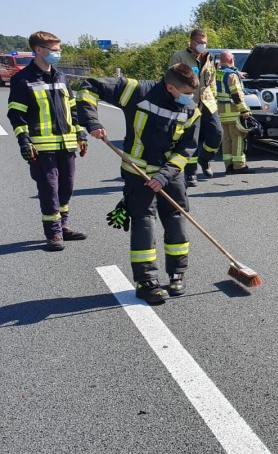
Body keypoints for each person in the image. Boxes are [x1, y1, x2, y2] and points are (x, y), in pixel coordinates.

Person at [77, 64, 201, 304]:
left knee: (176, 220)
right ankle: (146, 282)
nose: (190, 98)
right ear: (170, 87)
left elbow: (186, 149)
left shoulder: (191, 110)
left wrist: (163, 176)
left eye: (192, 93)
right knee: (144, 224)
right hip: (138, 174)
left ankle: (178, 274)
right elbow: (88, 87)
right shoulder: (137, 91)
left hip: (169, 175)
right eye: (186, 92)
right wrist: (91, 121)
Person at [7, 31, 88, 251]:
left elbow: (73, 109)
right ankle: (53, 234)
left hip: (67, 145)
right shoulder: (22, 80)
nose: (57, 54)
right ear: (39, 50)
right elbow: (16, 114)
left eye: (58, 49)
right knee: (49, 189)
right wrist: (24, 141)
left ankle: (63, 226)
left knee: (66, 188)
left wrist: (80, 134)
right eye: (54, 50)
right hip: (42, 148)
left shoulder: (61, 77)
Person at [169, 29, 221, 185]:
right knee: (192, 138)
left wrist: (215, 98)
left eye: (204, 42)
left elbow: (211, 80)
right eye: (199, 42)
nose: (202, 45)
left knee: (216, 134)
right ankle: (191, 174)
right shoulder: (179, 57)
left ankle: (205, 160)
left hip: (208, 102)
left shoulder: (208, 57)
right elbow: (171, 80)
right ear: (191, 42)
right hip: (189, 102)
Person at [215, 50, 253, 174]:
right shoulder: (231, 75)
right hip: (233, 112)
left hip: (221, 113)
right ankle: (239, 166)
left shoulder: (217, 73)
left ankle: (229, 165)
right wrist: (244, 110)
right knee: (237, 138)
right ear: (231, 60)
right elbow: (236, 94)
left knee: (226, 139)